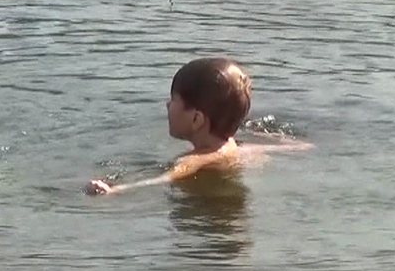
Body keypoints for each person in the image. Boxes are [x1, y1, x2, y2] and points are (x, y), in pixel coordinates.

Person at [88, 57, 311, 195]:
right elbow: (297, 147)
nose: (167, 104)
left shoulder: (195, 158)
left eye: (173, 100)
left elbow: (169, 176)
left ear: (196, 119)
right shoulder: (234, 147)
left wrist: (117, 189)